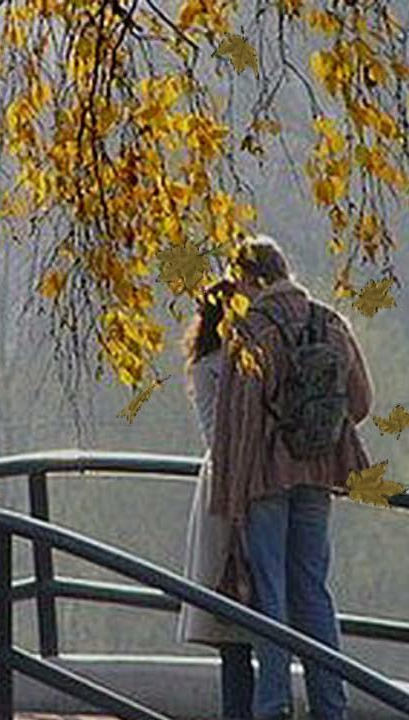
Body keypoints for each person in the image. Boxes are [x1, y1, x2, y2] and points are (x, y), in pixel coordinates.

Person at [210, 236, 374, 720]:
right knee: (313, 589)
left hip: (264, 478)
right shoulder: (329, 321)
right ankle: (330, 703)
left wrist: (230, 498)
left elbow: (234, 425)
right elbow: (361, 402)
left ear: (250, 278)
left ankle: (273, 704)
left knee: (269, 590)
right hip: (321, 472)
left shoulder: (252, 329)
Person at [176, 278, 256, 720]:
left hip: (220, 486)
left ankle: (239, 709)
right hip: (236, 489)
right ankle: (247, 709)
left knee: (232, 622)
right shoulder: (229, 364)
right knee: (245, 603)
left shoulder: (204, 364)